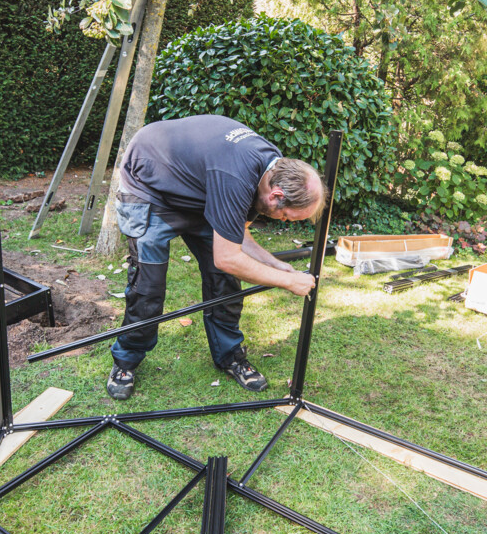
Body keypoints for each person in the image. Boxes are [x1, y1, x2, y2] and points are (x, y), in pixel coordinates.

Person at [104, 115, 326, 401]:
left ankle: (229, 355)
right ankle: (126, 359)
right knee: (148, 285)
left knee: (225, 281)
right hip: (149, 186)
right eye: (285, 216)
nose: (284, 221)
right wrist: (288, 282)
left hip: (199, 189)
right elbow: (228, 257)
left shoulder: (272, 169)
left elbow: (238, 234)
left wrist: (277, 265)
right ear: (276, 195)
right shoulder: (237, 177)